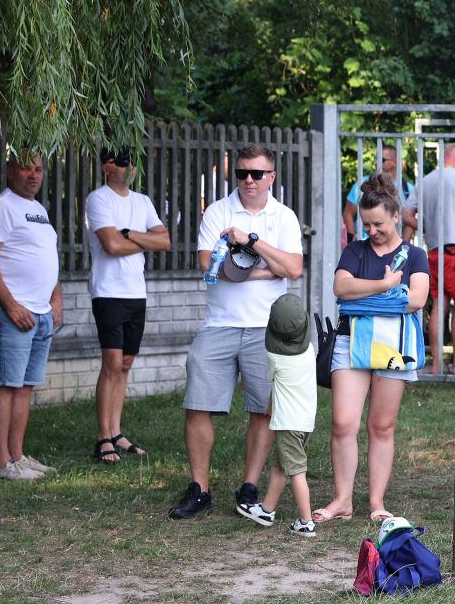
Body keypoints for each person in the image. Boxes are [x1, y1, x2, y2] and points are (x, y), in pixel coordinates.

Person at [169, 144, 304, 520]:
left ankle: (249, 486)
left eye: (257, 173)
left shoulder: (284, 217)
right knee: (197, 405)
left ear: (271, 177)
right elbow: (208, 266)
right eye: (242, 173)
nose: (249, 180)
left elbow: (294, 269)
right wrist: (267, 269)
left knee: (263, 409)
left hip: (267, 327)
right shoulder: (218, 211)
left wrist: (250, 243)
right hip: (220, 324)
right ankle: (200, 489)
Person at [319, 174, 430, 523]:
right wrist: (385, 286)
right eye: (366, 224)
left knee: (381, 426)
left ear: (396, 216)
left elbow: (417, 299)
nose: (371, 230)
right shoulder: (354, 249)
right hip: (350, 343)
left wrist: (361, 298)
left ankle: (377, 502)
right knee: (343, 423)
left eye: (378, 224)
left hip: (395, 345)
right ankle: (342, 500)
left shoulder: (415, 255)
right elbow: (340, 288)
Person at [0, 150, 62, 481]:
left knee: (24, 387)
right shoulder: (1, 207)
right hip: (8, 311)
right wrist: (11, 305)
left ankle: (17, 456)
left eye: (38, 168)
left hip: (39, 312)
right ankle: (1, 463)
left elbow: (47, 256)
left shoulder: (38, 210)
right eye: (26, 168)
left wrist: (56, 299)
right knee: (6, 385)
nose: (33, 174)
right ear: (10, 170)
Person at [85, 147, 171, 464]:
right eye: (122, 162)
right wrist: (144, 240)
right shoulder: (98, 199)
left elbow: (165, 241)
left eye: (132, 161)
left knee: (126, 363)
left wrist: (129, 234)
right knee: (111, 363)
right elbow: (110, 245)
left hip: (137, 292)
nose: (129, 167)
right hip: (108, 291)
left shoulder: (143, 202)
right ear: (106, 167)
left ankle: (116, 431)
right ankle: (102, 438)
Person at [237, 294, 318, 537]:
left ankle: (306, 522)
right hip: (305, 420)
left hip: (287, 424)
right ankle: (266, 510)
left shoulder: (275, 357)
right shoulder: (309, 349)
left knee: (296, 472)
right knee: (280, 466)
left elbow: (274, 379)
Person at [403, 142, 455, 375]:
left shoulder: (426, 180)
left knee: (439, 305)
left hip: (435, 250)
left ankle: (437, 364)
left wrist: (428, 228)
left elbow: (406, 214)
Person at [343, 144, 412, 242]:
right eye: (376, 159)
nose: (376, 162)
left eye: (382, 159)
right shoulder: (362, 184)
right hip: (363, 242)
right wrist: (352, 238)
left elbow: (410, 219)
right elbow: (348, 213)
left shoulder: (408, 189)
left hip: (392, 246)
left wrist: (404, 244)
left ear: (395, 162)